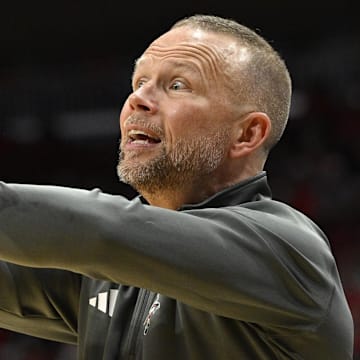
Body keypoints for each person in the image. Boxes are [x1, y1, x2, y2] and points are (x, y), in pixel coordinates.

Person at [0, 14, 354, 360]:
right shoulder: (112, 276)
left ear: (247, 134)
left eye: (177, 86)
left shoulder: (288, 249)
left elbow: (100, 233)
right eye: (138, 82)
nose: (137, 99)